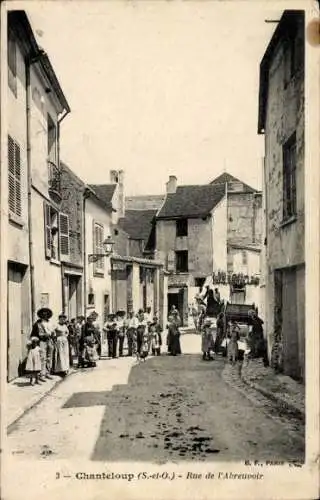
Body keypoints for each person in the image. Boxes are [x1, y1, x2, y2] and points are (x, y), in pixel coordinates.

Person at [30, 307, 54, 381]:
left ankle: (47, 372)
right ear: (40, 315)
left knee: (49, 357)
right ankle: (42, 374)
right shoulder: (37, 324)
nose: (45, 314)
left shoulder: (50, 323)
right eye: (43, 313)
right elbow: (33, 335)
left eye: (46, 313)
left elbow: (52, 331)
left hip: (49, 341)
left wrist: (53, 335)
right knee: (42, 357)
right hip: (42, 341)